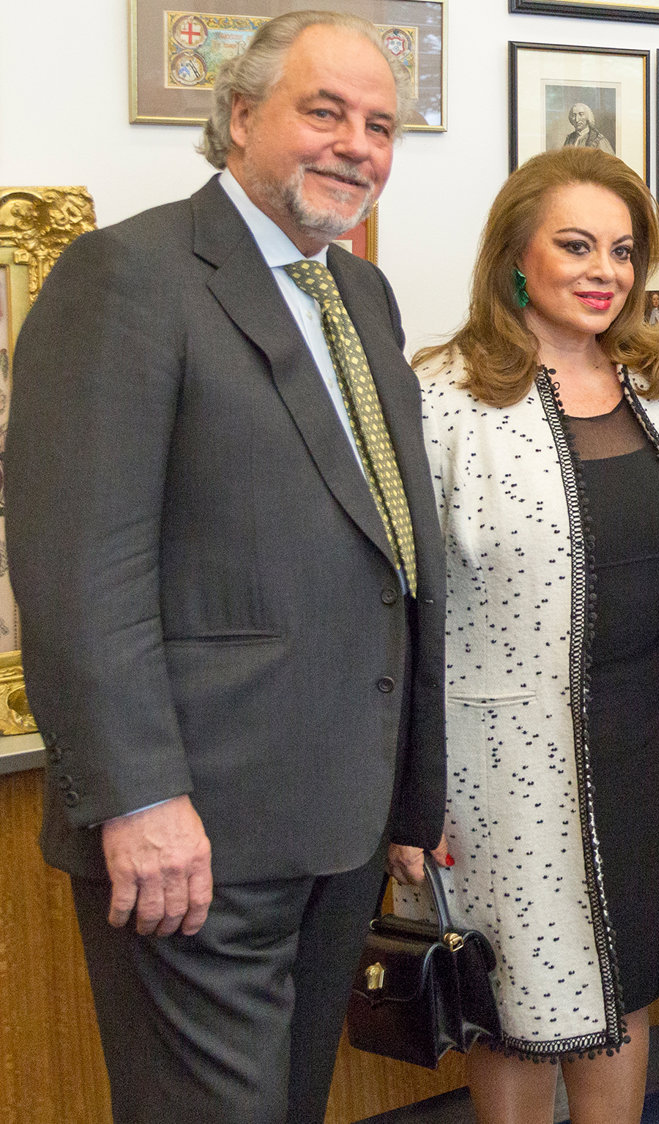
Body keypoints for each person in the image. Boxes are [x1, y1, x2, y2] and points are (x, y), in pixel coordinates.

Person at [5, 12, 444, 1122]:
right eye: (325, 112)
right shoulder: (129, 276)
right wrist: (140, 794)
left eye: (380, 125)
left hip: (333, 823)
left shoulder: (361, 296)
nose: (356, 145)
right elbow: (76, 566)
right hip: (190, 830)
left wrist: (411, 788)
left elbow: (391, 554)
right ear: (241, 116)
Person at [408, 146, 659, 1122]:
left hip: (644, 733)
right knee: (519, 1007)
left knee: (623, 982)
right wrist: (410, 797)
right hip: (499, 761)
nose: (604, 272)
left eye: (623, 251)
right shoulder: (446, 394)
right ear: (514, 256)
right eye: (576, 245)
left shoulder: (658, 387)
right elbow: (403, 612)